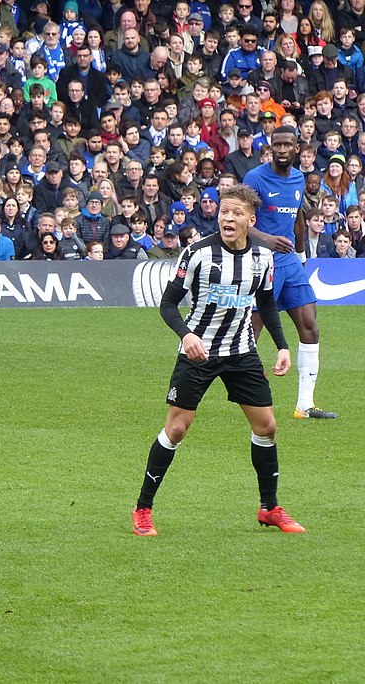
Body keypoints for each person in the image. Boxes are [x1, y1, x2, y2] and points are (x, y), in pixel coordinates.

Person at [132, 184, 303, 537]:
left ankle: (269, 508)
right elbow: (168, 304)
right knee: (177, 429)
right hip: (200, 352)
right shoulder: (196, 253)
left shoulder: (263, 258)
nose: (228, 217)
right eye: (225, 211)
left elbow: (267, 304)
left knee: (267, 426)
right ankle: (143, 509)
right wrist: (187, 335)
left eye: (236, 213)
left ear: (250, 220)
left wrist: (283, 345)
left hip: (241, 352)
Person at [243, 126, 338, 419]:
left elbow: (298, 218)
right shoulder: (255, 178)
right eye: (277, 145)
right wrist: (269, 240)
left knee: (309, 323)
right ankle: (248, 393)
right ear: (271, 147)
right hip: (260, 260)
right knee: (251, 331)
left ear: (297, 148)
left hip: (290, 263)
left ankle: (304, 405)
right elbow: (238, 219)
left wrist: (301, 255)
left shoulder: (299, 179)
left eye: (287, 145)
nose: (282, 150)